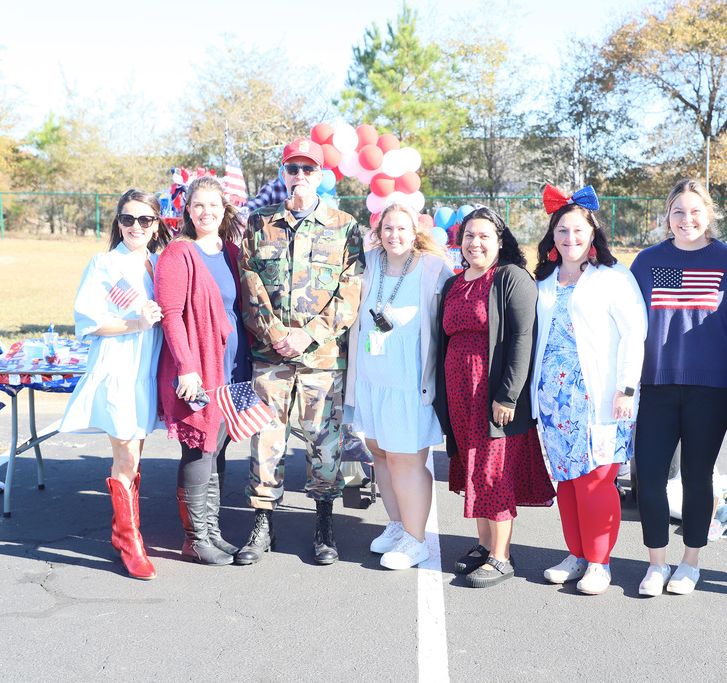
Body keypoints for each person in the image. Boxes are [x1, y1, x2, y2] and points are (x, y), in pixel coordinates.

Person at [235, 138, 364, 566]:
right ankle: (262, 523)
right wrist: (276, 333)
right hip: (270, 356)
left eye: (309, 170)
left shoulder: (345, 226)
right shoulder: (259, 224)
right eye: (293, 169)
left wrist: (308, 335)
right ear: (282, 173)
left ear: (322, 176)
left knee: (325, 443)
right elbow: (248, 284)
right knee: (264, 440)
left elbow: (350, 293)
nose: (300, 177)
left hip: (321, 360)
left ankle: (323, 523)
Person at [629, 178, 727, 596]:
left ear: (710, 214)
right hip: (657, 384)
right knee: (648, 477)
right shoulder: (646, 262)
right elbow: (630, 328)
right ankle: (657, 564)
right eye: (678, 211)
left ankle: (690, 562)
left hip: (712, 387)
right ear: (667, 215)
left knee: (698, 477)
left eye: (695, 211)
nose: (687, 219)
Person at [531, 185, 647, 595]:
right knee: (566, 479)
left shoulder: (614, 278)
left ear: (593, 233)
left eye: (578, 230)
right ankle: (576, 554)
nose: (570, 238)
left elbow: (635, 333)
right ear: (552, 235)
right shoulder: (544, 280)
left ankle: (600, 562)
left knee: (596, 478)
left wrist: (626, 389)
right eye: (562, 230)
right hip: (551, 400)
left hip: (599, 398)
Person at [435, 206, 555, 588]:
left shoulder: (511, 278)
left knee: (493, 473)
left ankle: (502, 557)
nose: (476, 242)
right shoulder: (455, 284)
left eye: (485, 236)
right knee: (475, 469)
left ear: (500, 241)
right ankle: (485, 545)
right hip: (460, 396)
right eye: (469, 235)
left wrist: (508, 396)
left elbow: (523, 339)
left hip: (495, 398)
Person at [59, 189, 171, 580]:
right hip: (118, 370)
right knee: (127, 457)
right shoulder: (104, 263)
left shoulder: (161, 264)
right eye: (128, 219)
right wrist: (135, 323)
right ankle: (129, 541)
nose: (136, 226)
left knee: (135, 456)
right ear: (117, 222)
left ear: (157, 224)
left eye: (145, 219)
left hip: (149, 372)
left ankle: (124, 533)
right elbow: (88, 323)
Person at [344, 201, 453, 570]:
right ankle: (396, 525)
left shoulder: (433, 268)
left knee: (407, 460)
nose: (395, 235)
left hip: (409, 386)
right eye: (388, 228)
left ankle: (416, 540)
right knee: (380, 453)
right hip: (372, 381)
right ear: (378, 232)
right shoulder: (369, 263)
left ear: (415, 232)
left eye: (402, 229)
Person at [154, 176, 251, 566]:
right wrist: (187, 368)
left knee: (220, 448)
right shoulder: (178, 253)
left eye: (214, 205)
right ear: (188, 210)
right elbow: (171, 315)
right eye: (198, 205)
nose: (206, 212)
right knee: (198, 448)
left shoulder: (230, 250)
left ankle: (213, 532)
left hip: (232, 367)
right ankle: (195, 538)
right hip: (198, 367)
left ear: (224, 209)